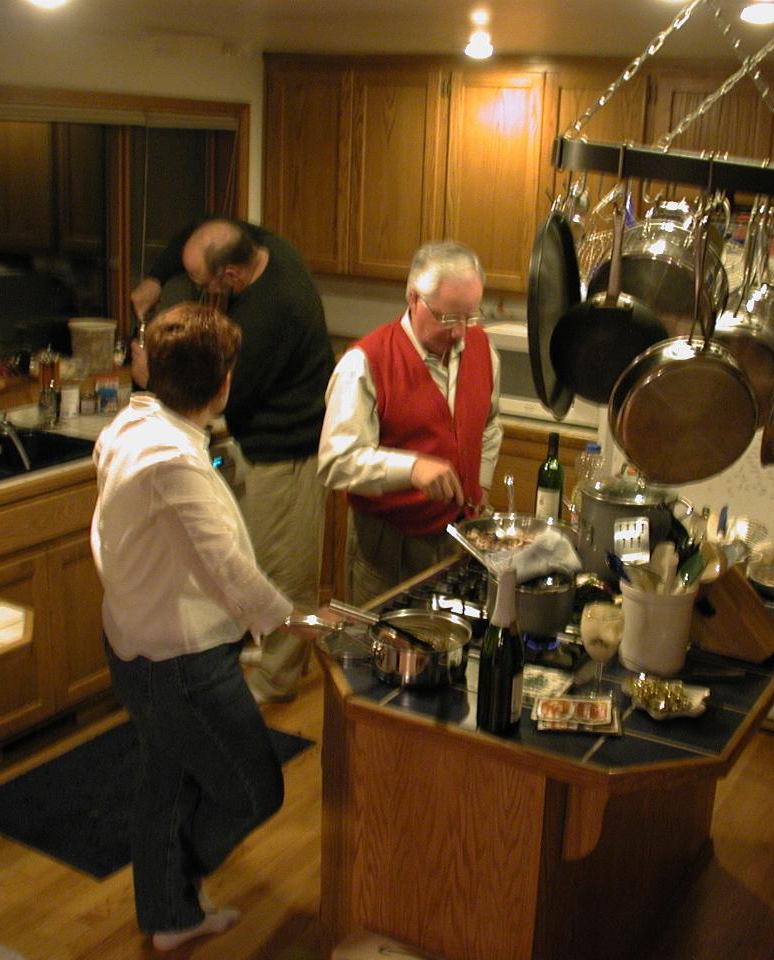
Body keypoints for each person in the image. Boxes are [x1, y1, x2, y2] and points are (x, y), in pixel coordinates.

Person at [91, 302, 294, 952]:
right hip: (180, 661)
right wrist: (292, 622)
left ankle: (170, 914)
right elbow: (226, 567)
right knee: (254, 788)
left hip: (134, 642)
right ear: (223, 383)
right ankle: (180, 881)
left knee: (166, 781)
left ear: (150, 366)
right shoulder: (173, 462)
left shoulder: (131, 425)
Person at [130, 217, 333, 701]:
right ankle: (269, 654)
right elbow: (197, 232)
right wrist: (157, 277)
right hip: (264, 443)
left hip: (288, 450)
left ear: (231, 277)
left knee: (283, 569)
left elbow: (222, 398)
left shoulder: (270, 314)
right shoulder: (269, 245)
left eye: (203, 284)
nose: (201, 292)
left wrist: (151, 373)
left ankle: (277, 680)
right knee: (258, 557)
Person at [318, 241, 502, 603]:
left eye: (470, 316)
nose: (460, 332)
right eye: (448, 318)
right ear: (414, 298)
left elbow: (490, 425)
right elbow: (336, 462)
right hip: (388, 544)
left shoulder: (483, 350)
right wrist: (411, 469)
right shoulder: (365, 363)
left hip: (458, 536)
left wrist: (480, 483)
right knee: (380, 648)